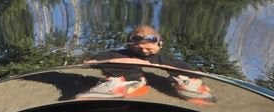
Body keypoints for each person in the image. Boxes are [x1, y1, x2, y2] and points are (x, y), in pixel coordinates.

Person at [76, 26, 215, 104]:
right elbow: (97, 59)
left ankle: (188, 83)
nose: (143, 51)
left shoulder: (164, 59)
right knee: (117, 60)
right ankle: (128, 82)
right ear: (129, 45)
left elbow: (180, 65)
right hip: (127, 72)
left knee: (178, 67)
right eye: (138, 48)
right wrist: (92, 61)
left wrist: (194, 76)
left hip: (168, 65)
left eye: (149, 48)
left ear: (160, 45)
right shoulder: (119, 54)